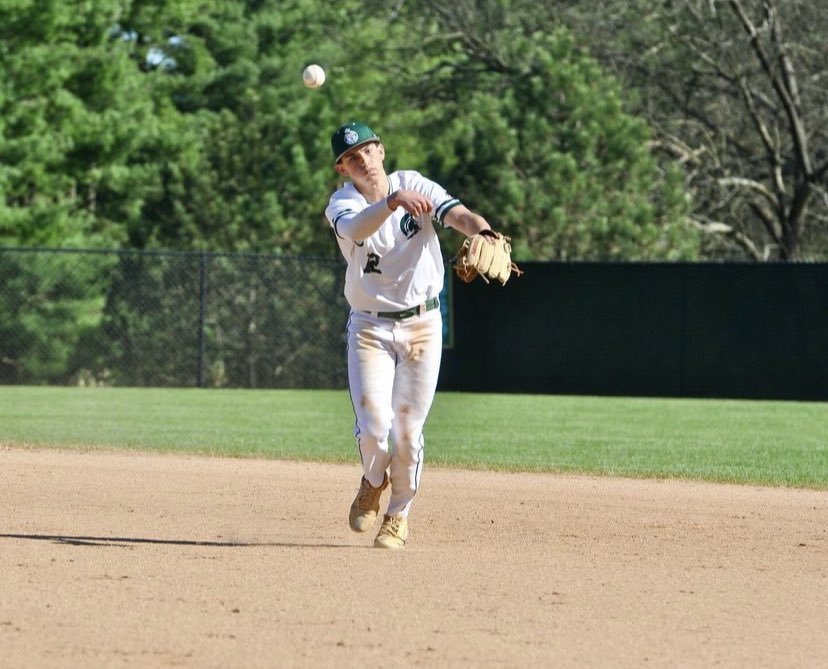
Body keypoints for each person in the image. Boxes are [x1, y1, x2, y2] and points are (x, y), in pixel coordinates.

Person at [325, 121, 500, 549]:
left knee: (406, 431)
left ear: (381, 151)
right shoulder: (342, 203)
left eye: (367, 150)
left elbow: (457, 213)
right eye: (351, 157)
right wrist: (391, 202)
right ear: (343, 169)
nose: (362, 160)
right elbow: (356, 229)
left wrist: (482, 231)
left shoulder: (413, 184)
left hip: (422, 324)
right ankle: (372, 479)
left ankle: (398, 514)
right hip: (369, 325)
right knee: (373, 427)